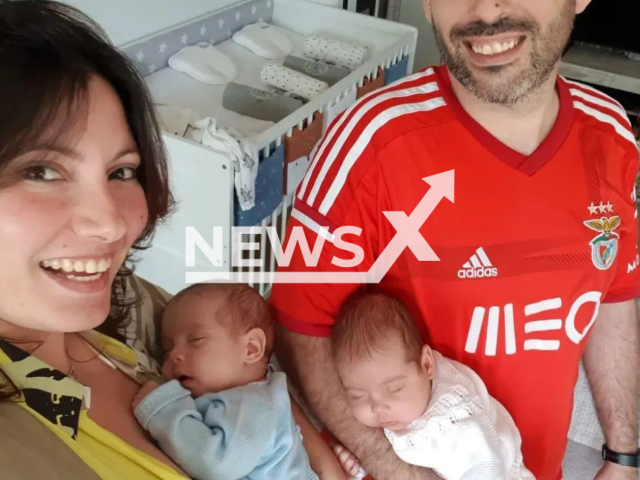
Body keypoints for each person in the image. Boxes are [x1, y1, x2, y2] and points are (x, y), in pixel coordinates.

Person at [271, 0, 640, 479]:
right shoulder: (369, 141)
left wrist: (625, 455)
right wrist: (395, 469)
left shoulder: (610, 135)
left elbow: (613, 293)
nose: (486, 9)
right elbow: (299, 327)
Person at [0, 2, 342, 479]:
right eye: (41, 171)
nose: (112, 224)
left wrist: (324, 462)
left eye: (122, 171)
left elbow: (254, 373)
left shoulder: (124, 301)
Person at [331, 292, 534, 480]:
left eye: (393, 389)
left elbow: (488, 465)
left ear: (427, 365)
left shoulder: (455, 418)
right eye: (358, 396)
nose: (377, 407)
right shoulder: (407, 394)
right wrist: (357, 465)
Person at [132, 283, 319, 480]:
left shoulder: (255, 405)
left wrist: (163, 408)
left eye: (196, 340)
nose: (175, 355)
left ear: (251, 348)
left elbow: (216, 462)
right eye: (167, 349)